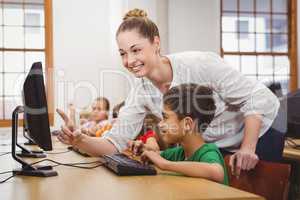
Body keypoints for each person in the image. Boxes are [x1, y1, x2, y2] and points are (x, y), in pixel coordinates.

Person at [57, 8, 282, 177]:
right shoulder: (141, 91)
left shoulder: (198, 64)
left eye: (136, 50)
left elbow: (256, 98)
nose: (130, 61)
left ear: (156, 43)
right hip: (217, 145)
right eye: (123, 53)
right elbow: (115, 142)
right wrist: (80, 140)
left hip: (258, 133)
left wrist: (247, 148)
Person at [137, 84, 228, 184]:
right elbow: (156, 155)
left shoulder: (208, 152)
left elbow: (217, 172)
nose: (160, 124)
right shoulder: (180, 153)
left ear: (187, 124)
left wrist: (165, 164)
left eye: (165, 118)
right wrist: (142, 149)